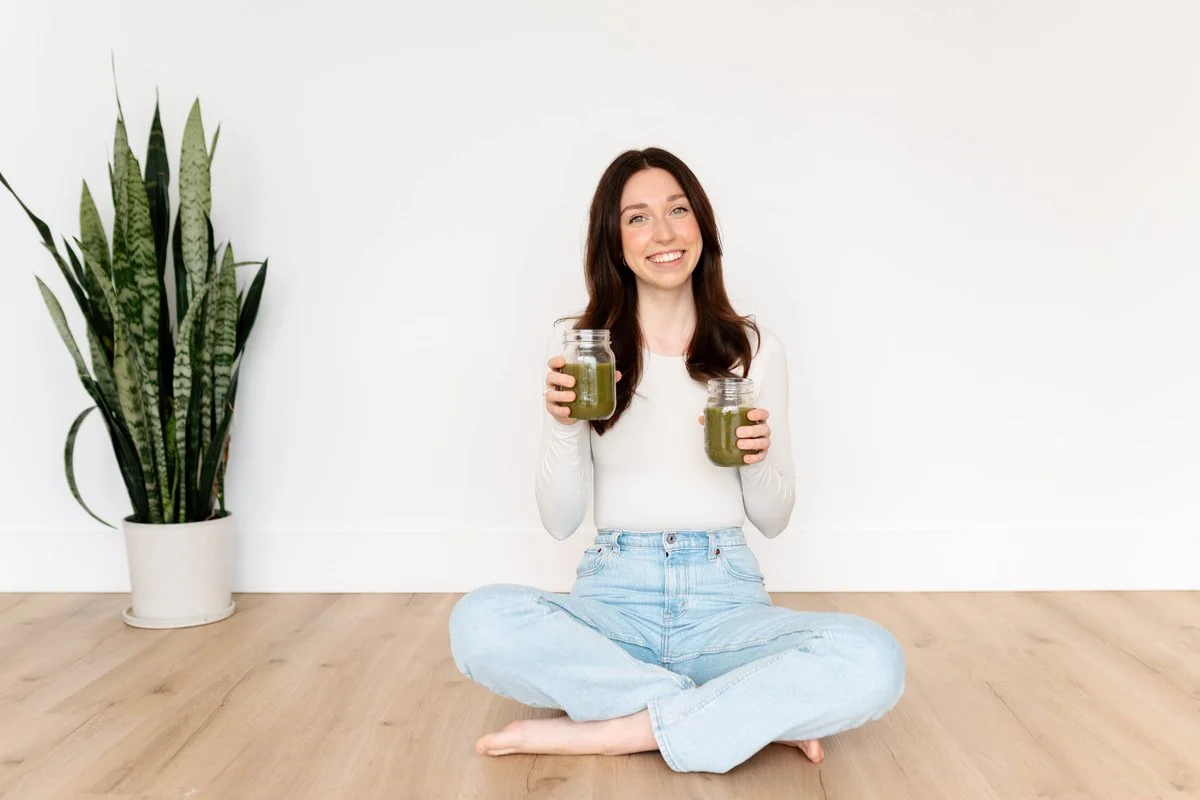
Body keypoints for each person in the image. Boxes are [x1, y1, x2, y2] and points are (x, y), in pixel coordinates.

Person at [449, 147, 905, 774]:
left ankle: (615, 730)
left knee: (875, 658)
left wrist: (755, 456)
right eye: (636, 218)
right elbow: (560, 520)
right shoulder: (585, 348)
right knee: (479, 621)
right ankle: (737, 717)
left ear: (702, 227)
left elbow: (773, 519)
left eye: (677, 210)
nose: (662, 234)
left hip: (726, 607)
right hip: (614, 603)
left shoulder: (753, 349)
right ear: (614, 242)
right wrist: (561, 425)